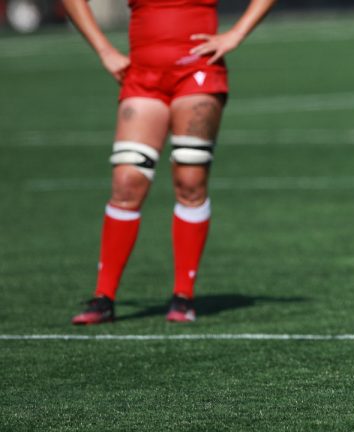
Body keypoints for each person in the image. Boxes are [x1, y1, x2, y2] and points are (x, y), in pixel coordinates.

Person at [64, 0, 277, 325]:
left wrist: (236, 34)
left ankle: (183, 296)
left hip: (199, 71)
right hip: (142, 76)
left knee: (190, 181)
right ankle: (104, 298)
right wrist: (104, 50)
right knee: (126, 183)